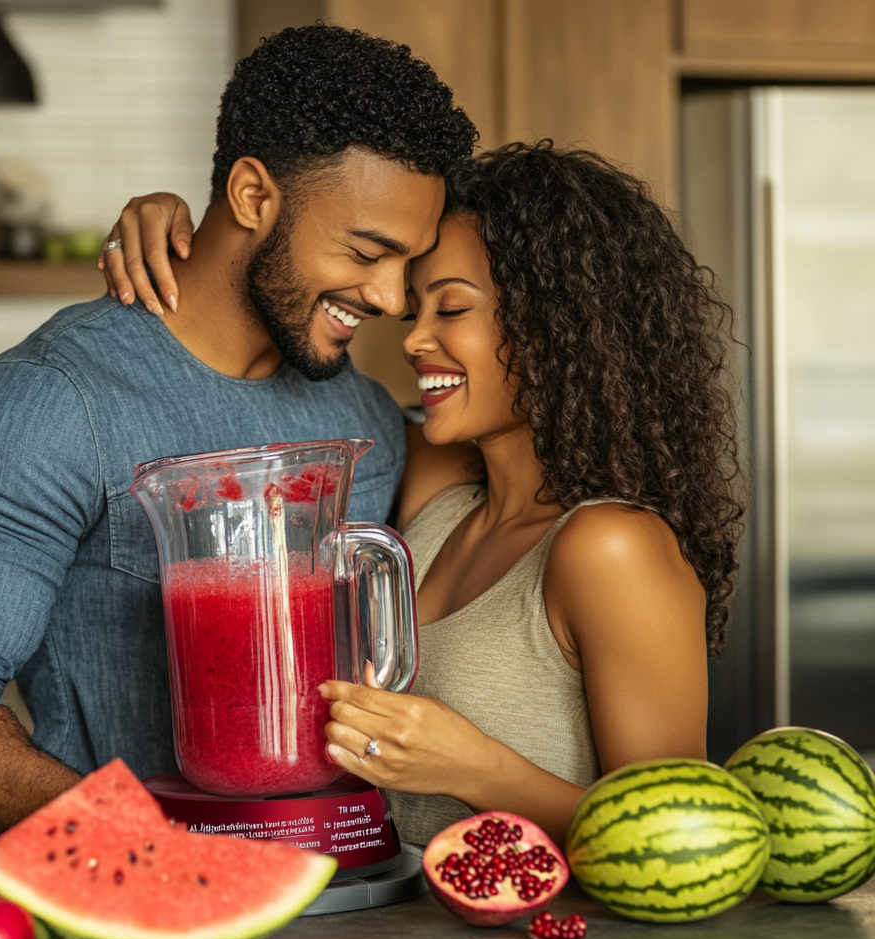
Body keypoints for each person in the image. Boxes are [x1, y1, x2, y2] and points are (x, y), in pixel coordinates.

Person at [0, 25, 476, 842]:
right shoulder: (52, 402)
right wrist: (151, 856)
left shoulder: (366, 417)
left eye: (411, 264)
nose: (394, 298)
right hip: (137, 919)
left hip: (365, 905)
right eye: (368, 251)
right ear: (253, 197)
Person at [116, 142, 744, 846]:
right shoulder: (436, 487)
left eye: (451, 309)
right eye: (416, 309)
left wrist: (475, 768)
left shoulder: (611, 547)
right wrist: (183, 235)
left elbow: (681, 835)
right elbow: (268, 357)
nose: (414, 339)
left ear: (556, 328)